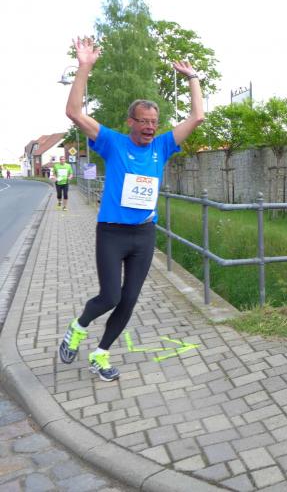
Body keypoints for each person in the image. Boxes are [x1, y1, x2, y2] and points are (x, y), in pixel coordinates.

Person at [58, 37, 205, 381]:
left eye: (154, 121)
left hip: (144, 234)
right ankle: (78, 327)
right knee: (110, 296)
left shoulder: (163, 146)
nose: (150, 127)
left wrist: (193, 78)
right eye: (144, 121)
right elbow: (74, 112)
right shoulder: (113, 142)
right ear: (131, 122)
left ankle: (100, 354)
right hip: (112, 233)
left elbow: (198, 117)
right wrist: (84, 67)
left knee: (129, 300)